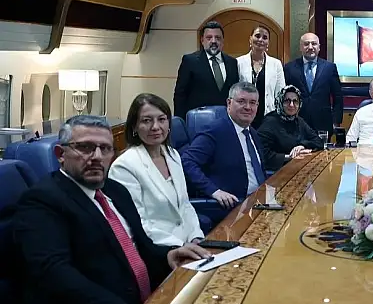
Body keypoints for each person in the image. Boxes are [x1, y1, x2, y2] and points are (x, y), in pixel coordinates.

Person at [13, 115, 210, 304]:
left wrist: (168, 255)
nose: (97, 157)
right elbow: (53, 272)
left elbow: (140, 247)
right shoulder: (42, 200)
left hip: (150, 303)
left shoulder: (115, 190)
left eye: (105, 149)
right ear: (61, 154)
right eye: (85, 148)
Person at [109, 93, 205, 247]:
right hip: (157, 248)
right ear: (134, 126)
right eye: (146, 121)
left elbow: (185, 205)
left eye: (161, 119)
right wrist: (179, 245)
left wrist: (196, 237)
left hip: (189, 244)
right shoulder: (124, 166)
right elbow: (137, 222)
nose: (155, 127)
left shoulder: (172, 154)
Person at [181, 82, 267, 220]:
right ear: (229, 103)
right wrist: (214, 191)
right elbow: (186, 162)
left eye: (252, 103)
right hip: (233, 209)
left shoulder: (252, 133)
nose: (248, 107)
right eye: (241, 101)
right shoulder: (215, 131)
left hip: (259, 203)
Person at [173, 21, 239, 119]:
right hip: (197, 120)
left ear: (223, 41)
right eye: (209, 38)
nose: (213, 41)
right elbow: (180, 95)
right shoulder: (190, 61)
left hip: (225, 120)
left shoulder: (232, 62)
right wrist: (180, 122)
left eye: (218, 38)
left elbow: (235, 94)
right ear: (202, 40)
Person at [283, 32, 344, 135]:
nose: (310, 47)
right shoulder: (289, 68)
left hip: (323, 123)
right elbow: (284, 96)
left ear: (319, 47)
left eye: (314, 44)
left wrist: (336, 121)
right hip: (296, 122)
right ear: (301, 47)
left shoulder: (329, 68)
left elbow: (337, 96)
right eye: (306, 44)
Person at [258, 85, 323, 171]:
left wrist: (302, 146)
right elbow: (263, 154)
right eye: (287, 101)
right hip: (276, 172)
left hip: (297, 168)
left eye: (295, 101)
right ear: (280, 102)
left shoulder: (299, 121)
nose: (291, 105)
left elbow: (319, 142)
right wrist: (289, 157)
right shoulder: (269, 122)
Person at [236, 25, 286, 129]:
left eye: (265, 37)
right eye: (257, 36)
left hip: (269, 118)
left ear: (268, 43)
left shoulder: (276, 64)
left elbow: (280, 94)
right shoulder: (238, 62)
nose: (260, 40)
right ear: (250, 39)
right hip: (243, 115)